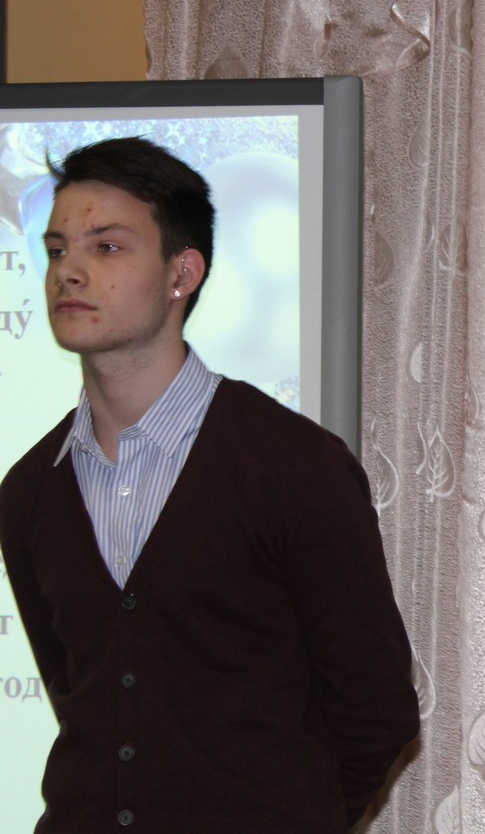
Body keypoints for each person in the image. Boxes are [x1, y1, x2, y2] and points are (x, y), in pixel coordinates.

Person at [0, 137, 419, 833]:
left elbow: (376, 707)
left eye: (107, 247)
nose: (68, 271)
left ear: (181, 274)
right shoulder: (29, 492)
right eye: (56, 249)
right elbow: (79, 695)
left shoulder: (296, 467)